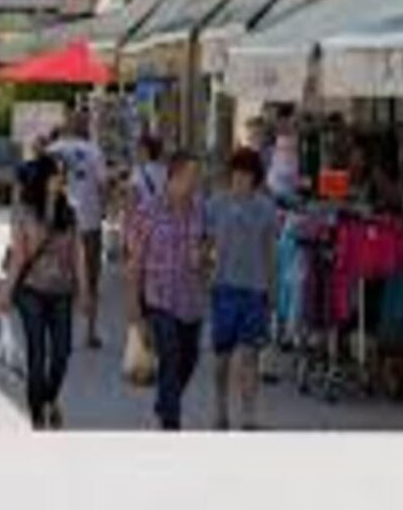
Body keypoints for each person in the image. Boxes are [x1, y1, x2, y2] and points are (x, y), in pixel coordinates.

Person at [0, 154, 90, 430]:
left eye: (63, 175)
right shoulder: (24, 212)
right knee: (37, 355)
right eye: (55, 174)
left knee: (62, 353)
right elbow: (21, 255)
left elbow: (78, 252)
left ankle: (49, 398)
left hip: (62, 291)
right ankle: (37, 418)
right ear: (43, 178)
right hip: (31, 292)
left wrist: (85, 290)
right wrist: (6, 291)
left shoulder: (70, 210)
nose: (61, 180)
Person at [127, 151, 206, 431]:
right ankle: (171, 423)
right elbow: (135, 260)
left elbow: (206, 247)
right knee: (170, 355)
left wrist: (206, 257)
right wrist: (134, 308)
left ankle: (165, 402)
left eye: (197, 178)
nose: (194, 183)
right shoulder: (147, 210)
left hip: (192, 299)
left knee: (190, 358)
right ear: (173, 177)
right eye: (189, 177)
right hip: (159, 298)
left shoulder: (199, 208)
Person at [206, 147, 276, 431]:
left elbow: (270, 251)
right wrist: (202, 273)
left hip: (254, 290)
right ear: (229, 175)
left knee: (249, 356)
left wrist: (271, 289)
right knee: (222, 357)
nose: (240, 179)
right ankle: (221, 408)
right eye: (236, 173)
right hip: (224, 288)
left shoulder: (266, 208)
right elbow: (204, 243)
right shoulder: (215, 204)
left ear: (255, 178)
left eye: (246, 175)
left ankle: (249, 415)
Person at [49, 112, 108, 350]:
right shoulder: (94, 152)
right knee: (91, 278)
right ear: (85, 127)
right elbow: (102, 185)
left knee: (57, 278)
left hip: (56, 225)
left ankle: (57, 331)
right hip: (89, 222)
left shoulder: (52, 150)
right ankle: (89, 332)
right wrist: (103, 208)